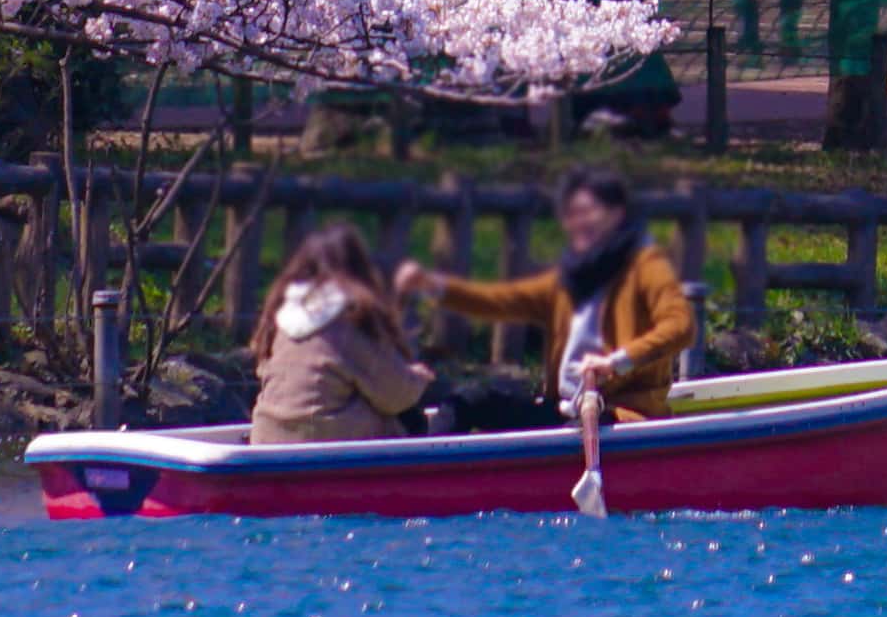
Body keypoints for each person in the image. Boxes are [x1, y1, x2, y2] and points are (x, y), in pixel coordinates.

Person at [406, 168, 696, 428]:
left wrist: (616, 361)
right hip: (562, 411)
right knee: (470, 401)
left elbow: (680, 326)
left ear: (616, 215)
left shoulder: (647, 267)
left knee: (574, 435)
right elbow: (503, 300)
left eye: (588, 213)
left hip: (617, 415)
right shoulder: (571, 278)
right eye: (572, 214)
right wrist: (433, 286)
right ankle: (417, 468)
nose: (577, 223)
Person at [244, 222, 432, 445]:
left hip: (267, 437)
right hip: (325, 441)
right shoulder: (352, 315)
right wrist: (416, 378)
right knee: (409, 418)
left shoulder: (281, 313)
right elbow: (395, 395)